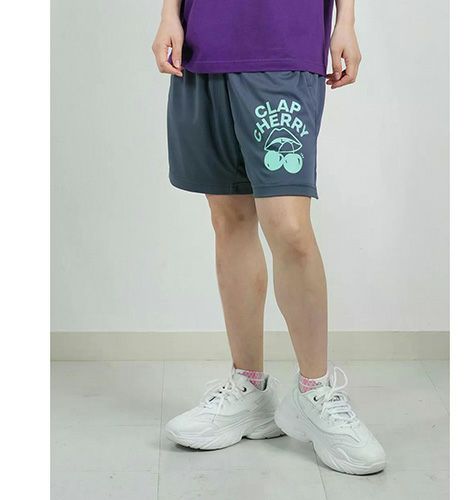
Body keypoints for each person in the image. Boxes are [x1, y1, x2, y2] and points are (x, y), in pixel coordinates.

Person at [152, 0, 386, 474]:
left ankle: (315, 391)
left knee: (290, 228)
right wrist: (168, 15)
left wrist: (346, 21)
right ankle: (250, 389)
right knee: (229, 219)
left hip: (285, 44)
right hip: (203, 45)